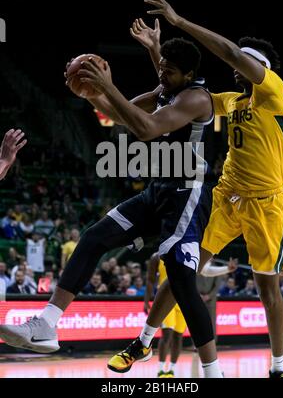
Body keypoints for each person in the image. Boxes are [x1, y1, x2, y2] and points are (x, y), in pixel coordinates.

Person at [0, 36, 223, 377]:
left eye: (170, 71)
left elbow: (146, 128)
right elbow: (122, 114)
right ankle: (46, 324)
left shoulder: (196, 98)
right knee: (94, 238)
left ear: (189, 74)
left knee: (180, 280)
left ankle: (212, 371)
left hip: (187, 192)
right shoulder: (166, 90)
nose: (162, 75)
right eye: (160, 67)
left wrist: (107, 85)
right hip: (158, 190)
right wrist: (94, 94)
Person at [115, 0, 283, 378]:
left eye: (244, 64)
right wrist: (158, 50)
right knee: (181, 267)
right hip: (226, 198)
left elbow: (230, 52)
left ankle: (278, 365)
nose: (234, 69)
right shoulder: (232, 101)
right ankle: (142, 341)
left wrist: (178, 22)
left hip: (268, 204)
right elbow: (177, 94)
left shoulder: (274, 93)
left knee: (267, 289)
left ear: (257, 68)